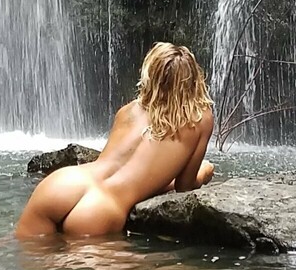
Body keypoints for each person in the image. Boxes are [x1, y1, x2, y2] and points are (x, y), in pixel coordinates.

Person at [14, 42, 217, 238]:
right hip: (101, 208)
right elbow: (185, 186)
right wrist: (203, 172)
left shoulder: (127, 111)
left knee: (25, 248)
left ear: (150, 75)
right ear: (193, 80)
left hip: (63, 182)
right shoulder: (201, 120)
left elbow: (118, 168)